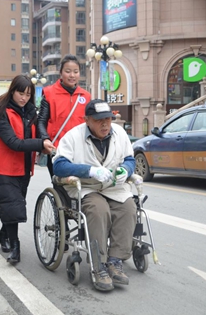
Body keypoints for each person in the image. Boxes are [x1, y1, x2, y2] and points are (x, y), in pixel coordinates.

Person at [53, 99, 136, 292]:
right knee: (98, 210)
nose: (105, 124)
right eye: (99, 120)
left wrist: (126, 169)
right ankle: (98, 266)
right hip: (87, 186)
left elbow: (130, 159)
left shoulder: (120, 133)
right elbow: (59, 166)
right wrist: (89, 170)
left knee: (128, 208)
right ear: (87, 120)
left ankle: (115, 260)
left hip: (112, 186)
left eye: (108, 119)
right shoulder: (73, 136)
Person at [0, 75, 55, 264]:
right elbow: (13, 142)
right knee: (12, 204)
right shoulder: (1, 112)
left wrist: (46, 141)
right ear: (12, 91)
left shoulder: (31, 112)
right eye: (20, 93)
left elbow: (40, 131)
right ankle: (15, 246)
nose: (24, 98)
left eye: (28, 94)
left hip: (23, 167)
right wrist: (40, 144)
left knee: (14, 205)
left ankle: (4, 233)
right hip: (3, 166)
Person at [37, 54, 91, 177]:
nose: (72, 75)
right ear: (61, 73)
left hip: (80, 150)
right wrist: (45, 139)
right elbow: (41, 121)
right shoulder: (49, 93)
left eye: (76, 72)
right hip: (56, 150)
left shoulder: (85, 96)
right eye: (68, 71)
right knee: (60, 184)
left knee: (81, 184)